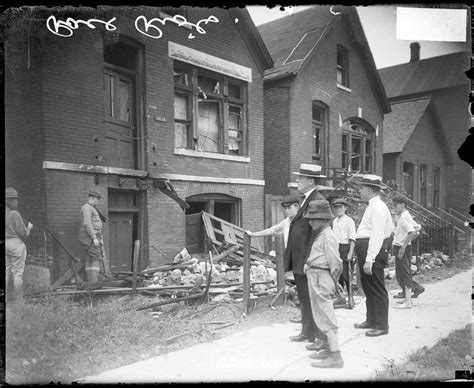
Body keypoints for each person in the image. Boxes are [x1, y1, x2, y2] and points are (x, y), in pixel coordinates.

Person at [285, 163, 327, 348]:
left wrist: (310, 260)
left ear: (311, 180)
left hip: (309, 261)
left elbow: (318, 235)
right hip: (300, 260)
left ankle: (322, 338)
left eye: (300, 178)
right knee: (304, 298)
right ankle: (307, 332)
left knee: (315, 300)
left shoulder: (317, 200)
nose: (297, 181)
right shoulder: (306, 199)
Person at [303, 199, 344, 368]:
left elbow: (335, 262)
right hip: (316, 275)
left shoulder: (328, 236)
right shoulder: (321, 234)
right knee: (320, 315)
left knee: (327, 317)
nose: (310, 221)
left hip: (322, 277)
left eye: (314, 218)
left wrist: (335, 281)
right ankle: (328, 349)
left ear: (324, 219)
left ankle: (335, 356)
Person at [354, 174, 393, 337]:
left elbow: (377, 235)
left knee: (376, 287)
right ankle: (371, 320)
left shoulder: (378, 208)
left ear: (369, 189)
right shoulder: (372, 206)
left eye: (362, 187)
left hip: (374, 251)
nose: (360, 190)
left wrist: (369, 259)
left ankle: (382, 325)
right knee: (368, 287)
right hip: (367, 249)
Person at [391, 195, 424, 308]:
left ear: (402, 205)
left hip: (401, 247)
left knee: (404, 273)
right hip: (401, 246)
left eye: (395, 205)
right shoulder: (406, 215)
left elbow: (413, 232)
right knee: (401, 273)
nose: (394, 208)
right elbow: (417, 229)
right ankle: (407, 298)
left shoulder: (404, 217)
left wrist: (403, 246)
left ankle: (408, 302)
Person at [5, 187, 33, 302]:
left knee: (6, 271)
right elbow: (24, 233)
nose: (17, 202)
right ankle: (19, 301)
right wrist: (29, 228)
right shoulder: (14, 214)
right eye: (15, 200)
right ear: (9, 200)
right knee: (17, 274)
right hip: (15, 244)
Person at [331, 198, 356, 309]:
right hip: (336, 248)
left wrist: (350, 252)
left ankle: (351, 299)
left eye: (340, 207)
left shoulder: (349, 221)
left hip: (345, 248)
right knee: (337, 274)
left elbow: (352, 239)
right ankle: (341, 298)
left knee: (347, 275)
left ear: (345, 208)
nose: (338, 210)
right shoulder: (334, 221)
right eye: (336, 207)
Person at [79, 190, 104, 283]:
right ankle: (93, 283)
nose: (98, 201)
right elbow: (87, 224)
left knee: (90, 257)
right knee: (96, 256)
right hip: (90, 237)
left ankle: (91, 282)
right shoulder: (87, 208)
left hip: (92, 236)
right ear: (92, 198)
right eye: (97, 199)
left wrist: (99, 238)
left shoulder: (91, 208)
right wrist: (94, 237)